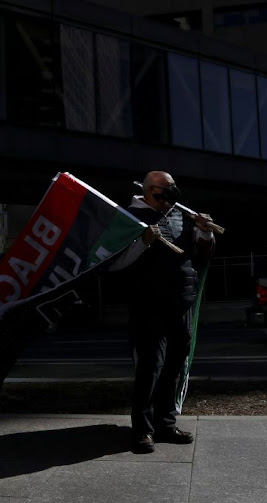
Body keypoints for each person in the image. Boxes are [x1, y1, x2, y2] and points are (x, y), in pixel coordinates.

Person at [110, 171, 215, 454]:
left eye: (172, 192)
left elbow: (200, 255)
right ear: (150, 191)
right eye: (164, 193)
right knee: (149, 367)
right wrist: (142, 242)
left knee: (174, 365)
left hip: (181, 301)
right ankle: (142, 430)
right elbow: (114, 263)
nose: (169, 199)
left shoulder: (181, 215)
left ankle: (165, 424)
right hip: (148, 303)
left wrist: (204, 231)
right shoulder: (129, 216)